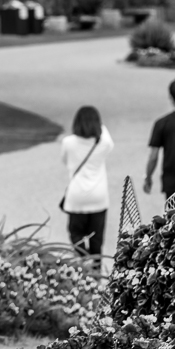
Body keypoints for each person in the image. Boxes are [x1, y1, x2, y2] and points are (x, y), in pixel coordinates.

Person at [60, 106, 113, 259]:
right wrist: (97, 125)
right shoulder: (103, 144)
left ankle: (83, 260)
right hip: (99, 197)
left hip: (76, 197)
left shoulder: (68, 143)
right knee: (97, 240)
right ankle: (96, 270)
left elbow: (64, 161)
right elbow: (107, 137)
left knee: (76, 234)